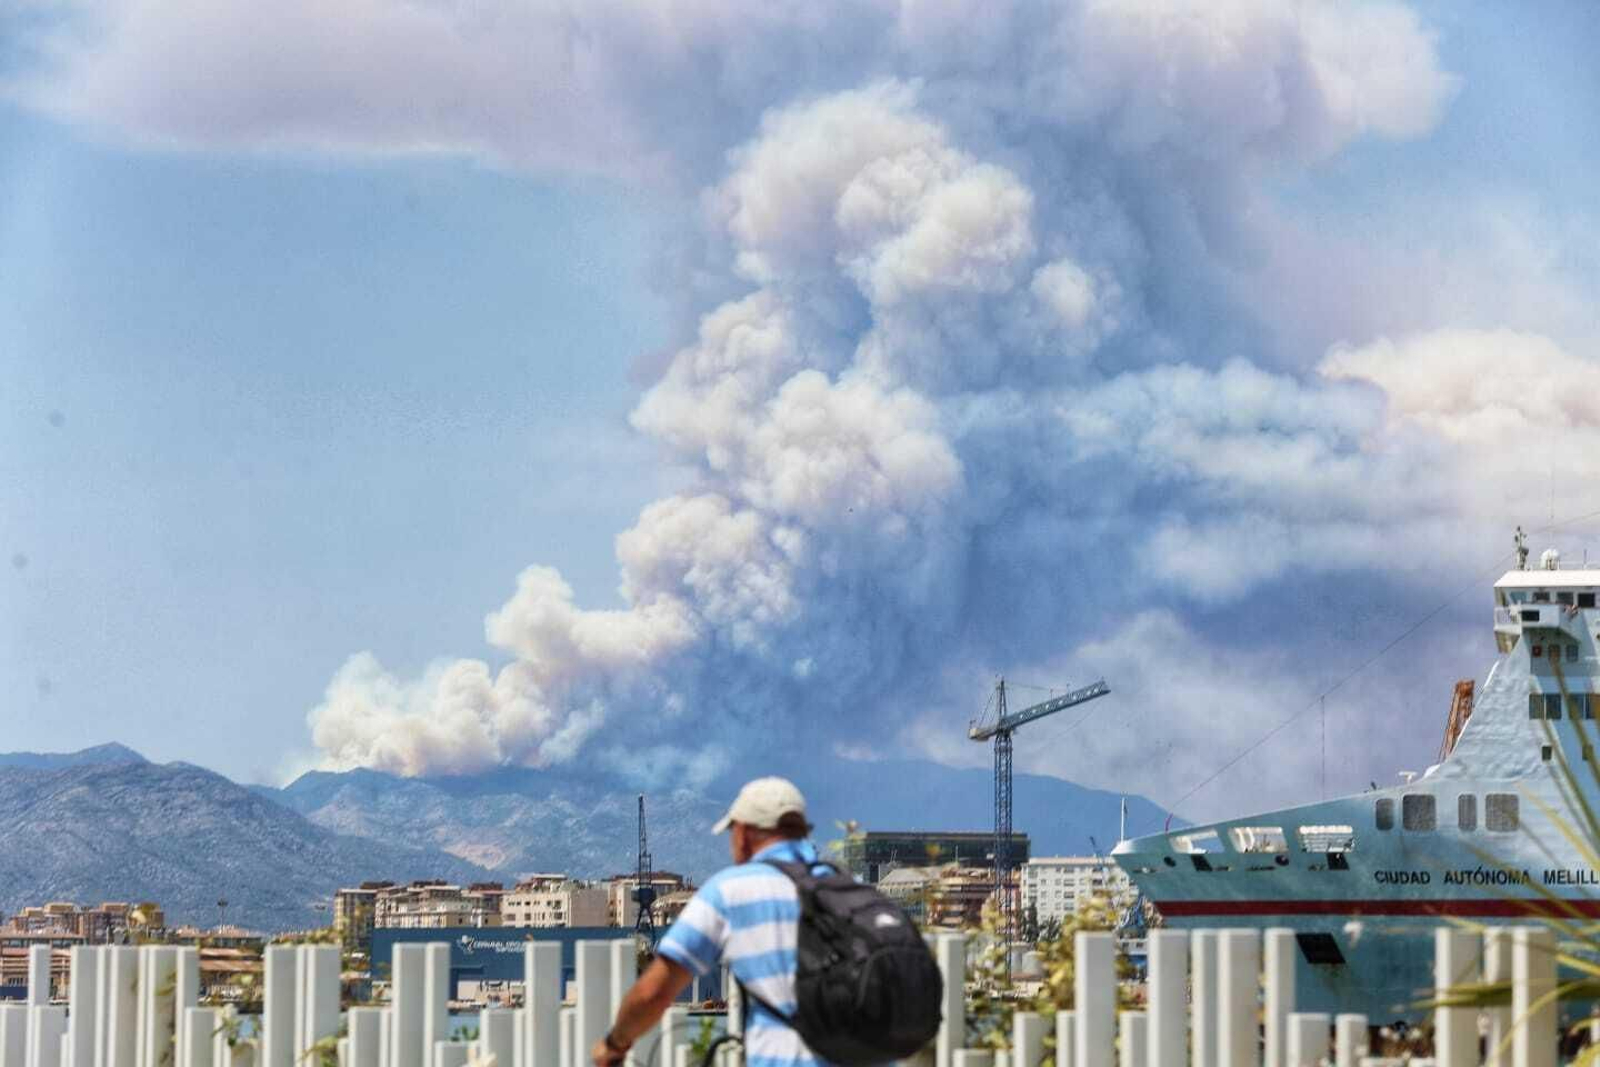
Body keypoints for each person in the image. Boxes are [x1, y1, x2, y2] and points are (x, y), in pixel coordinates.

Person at [592, 776, 832, 1067]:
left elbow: (654, 992)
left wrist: (614, 1043)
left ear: (742, 834)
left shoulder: (731, 891)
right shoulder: (850, 887)